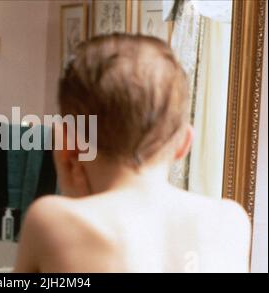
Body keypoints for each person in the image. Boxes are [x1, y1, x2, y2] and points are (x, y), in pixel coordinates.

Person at [14, 34, 251, 273]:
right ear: (184, 144)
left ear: (67, 146)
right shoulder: (230, 222)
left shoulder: (50, 220)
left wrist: (78, 201)